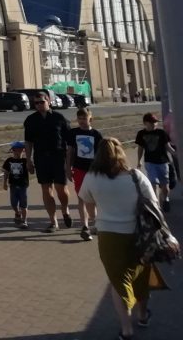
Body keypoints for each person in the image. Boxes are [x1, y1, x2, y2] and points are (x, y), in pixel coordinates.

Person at [79, 138, 164, 340]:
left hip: (109, 236)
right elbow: (154, 206)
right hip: (138, 235)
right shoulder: (136, 177)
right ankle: (143, 316)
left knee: (118, 281)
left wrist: (94, 218)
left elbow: (87, 202)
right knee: (141, 276)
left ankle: (126, 329)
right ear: (121, 153)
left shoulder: (92, 177)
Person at [23, 90, 72, 232]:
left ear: (49, 101)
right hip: (41, 158)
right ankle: (53, 222)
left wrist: (69, 162)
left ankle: (65, 209)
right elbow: (28, 142)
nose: (38, 105)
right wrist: (28, 160)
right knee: (46, 189)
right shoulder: (31, 120)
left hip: (58, 157)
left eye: (41, 102)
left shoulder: (59, 118)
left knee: (61, 189)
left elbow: (69, 141)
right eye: (36, 103)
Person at [67, 107, 103, 240]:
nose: (82, 121)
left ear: (90, 119)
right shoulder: (73, 133)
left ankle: (97, 223)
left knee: (94, 198)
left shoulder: (96, 135)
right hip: (79, 169)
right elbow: (69, 152)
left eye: (85, 118)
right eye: (80, 119)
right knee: (81, 197)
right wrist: (68, 168)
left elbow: (101, 154)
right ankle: (85, 226)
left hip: (94, 170)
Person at [136, 112, 176, 211]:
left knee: (165, 186)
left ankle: (165, 198)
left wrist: (175, 153)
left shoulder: (161, 133)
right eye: (152, 122)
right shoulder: (141, 134)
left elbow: (168, 147)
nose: (154, 124)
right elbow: (140, 148)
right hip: (150, 162)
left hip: (163, 162)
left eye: (155, 122)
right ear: (145, 123)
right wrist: (139, 160)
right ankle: (156, 204)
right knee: (153, 183)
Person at [2, 141, 30, 229]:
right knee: (13, 203)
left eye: (20, 150)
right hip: (13, 185)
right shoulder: (9, 160)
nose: (17, 152)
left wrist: (30, 163)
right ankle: (17, 212)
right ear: (12, 150)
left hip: (23, 185)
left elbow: (32, 171)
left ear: (23, 151)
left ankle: (24, 220)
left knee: (23, 204)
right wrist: (4, 182)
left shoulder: (25, 161)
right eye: (15, 150)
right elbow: (6, 172)